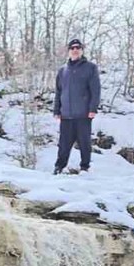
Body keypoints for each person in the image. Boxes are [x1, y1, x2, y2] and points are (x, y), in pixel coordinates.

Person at [52, 38, 101, 175]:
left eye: (77, 48)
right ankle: (59, 167)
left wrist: (92, 109)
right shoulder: (63, 71)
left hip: (83, 114)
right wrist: (57, 110)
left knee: (84, 143)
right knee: (63, 144)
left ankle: (85, 167)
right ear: (69, 51)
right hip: (66, 114)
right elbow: (58, 92)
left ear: (81, 50)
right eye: (72, 48)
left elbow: (95, 90)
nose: (75, 50)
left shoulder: (90, 68)